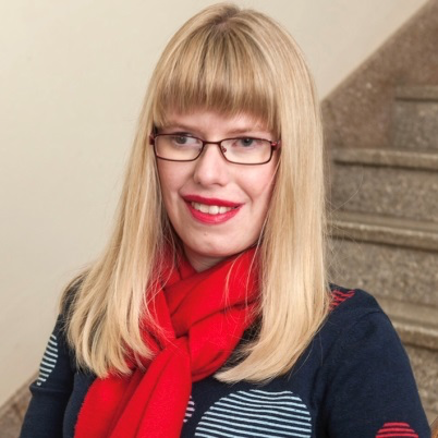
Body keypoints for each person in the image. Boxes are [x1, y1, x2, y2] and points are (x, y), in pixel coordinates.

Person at [20, 3, 431, 438]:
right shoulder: (88, 306)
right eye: (183, 138)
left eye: (246, 141)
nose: (208, 172)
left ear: (291, 159)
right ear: (151, 150)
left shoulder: (353, 340)